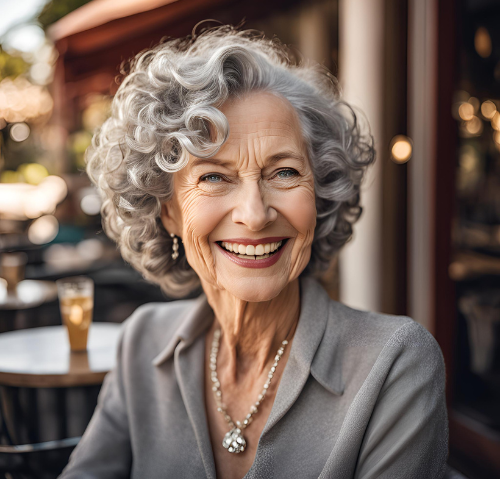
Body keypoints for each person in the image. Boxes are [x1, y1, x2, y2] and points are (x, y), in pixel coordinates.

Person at [60, 25, 448, 479]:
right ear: (167, 211)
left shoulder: (395, 365)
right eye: (213, 177)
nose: (255, 214)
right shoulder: (141, 343)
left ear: (319, 196)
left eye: (283, 172)